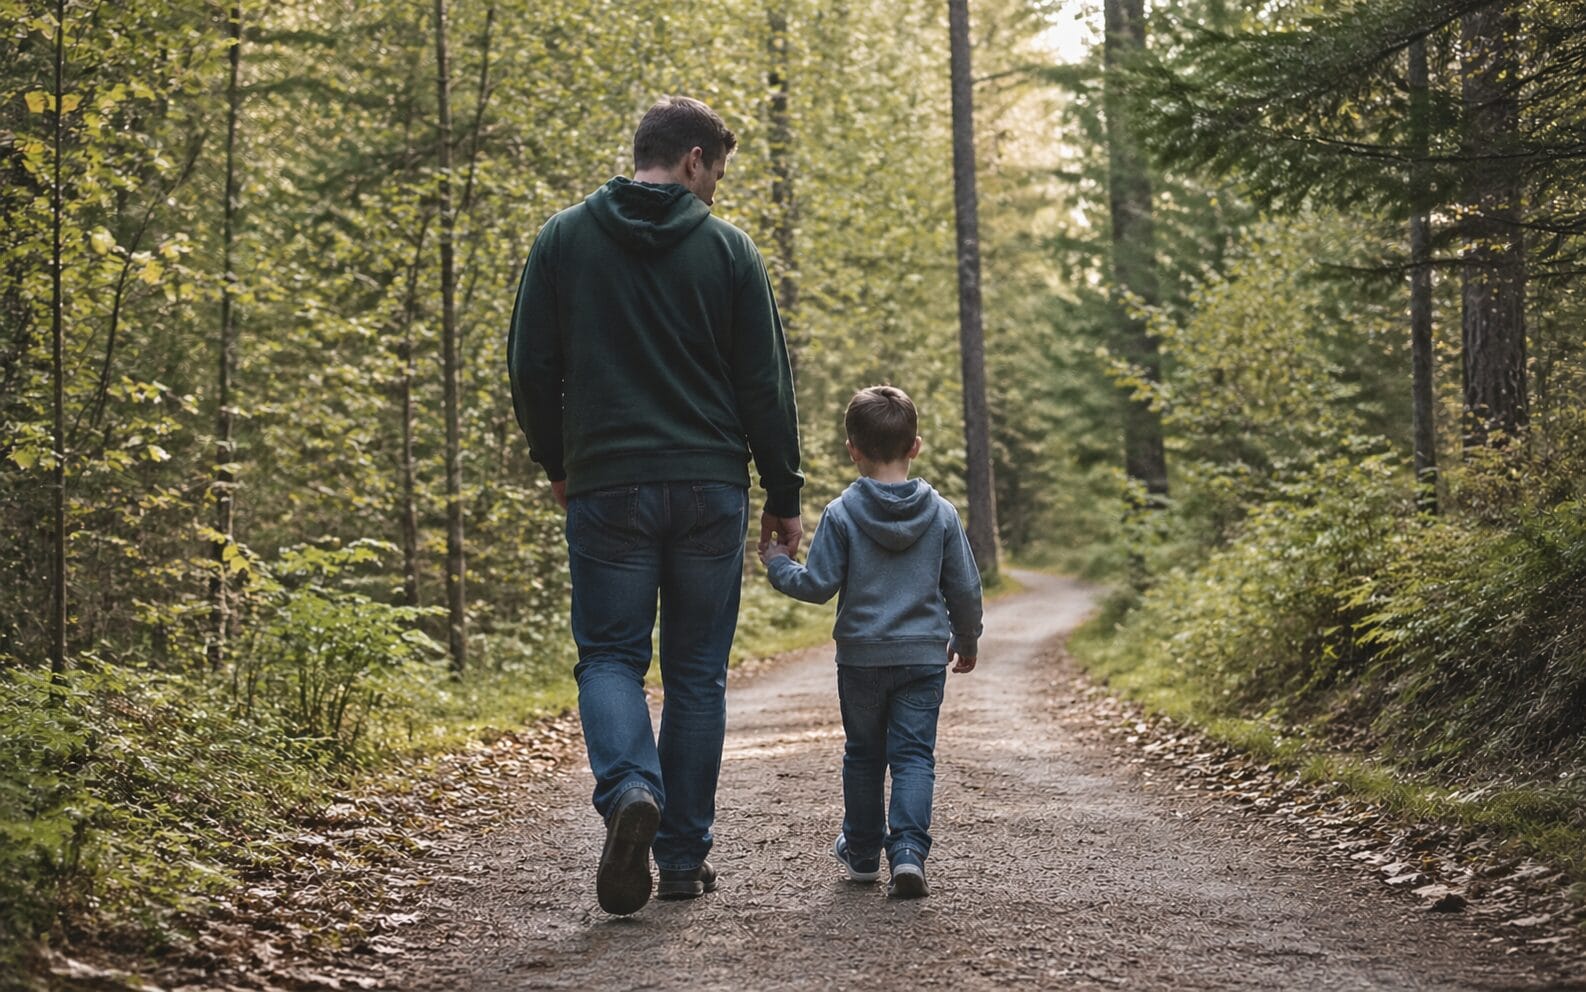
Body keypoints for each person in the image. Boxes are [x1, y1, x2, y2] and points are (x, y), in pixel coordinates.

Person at [507, 96, 803, 916]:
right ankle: (679, 860)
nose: (716, 190)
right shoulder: (729, 250)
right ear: (695, 159)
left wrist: (557, 461)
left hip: (605, 482)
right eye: (718, 172)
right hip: (709, 485)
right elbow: (764, 387)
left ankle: (631, 787)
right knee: (698, 676)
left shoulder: (563, 239)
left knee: (609, 658)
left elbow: (531, 366)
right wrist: (784, 494)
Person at [758, 385, 982, 898]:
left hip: (860, 658)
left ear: (852, 448)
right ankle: (907, 853)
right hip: (923, 656)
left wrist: (777, 565)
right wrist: (966, 637)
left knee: (863, 755)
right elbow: (965, 588)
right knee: (913, 757)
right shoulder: (942, 514)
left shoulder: (841, 513)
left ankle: (861, 854)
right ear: (915, 446)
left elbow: (817, 586)